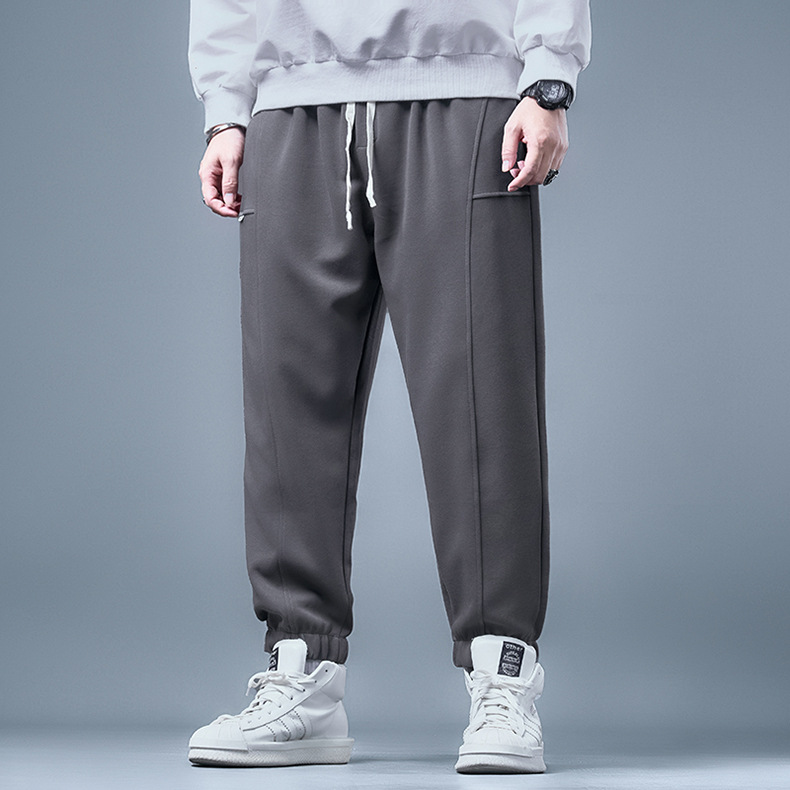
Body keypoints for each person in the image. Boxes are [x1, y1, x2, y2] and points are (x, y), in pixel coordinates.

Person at [186, 0, 590, 774]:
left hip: (465, 91)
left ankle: (503, 671)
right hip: (292, 101)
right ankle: (302, 672)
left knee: (482, 398)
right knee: (285, 406)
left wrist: (547, 77)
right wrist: (226, 109)